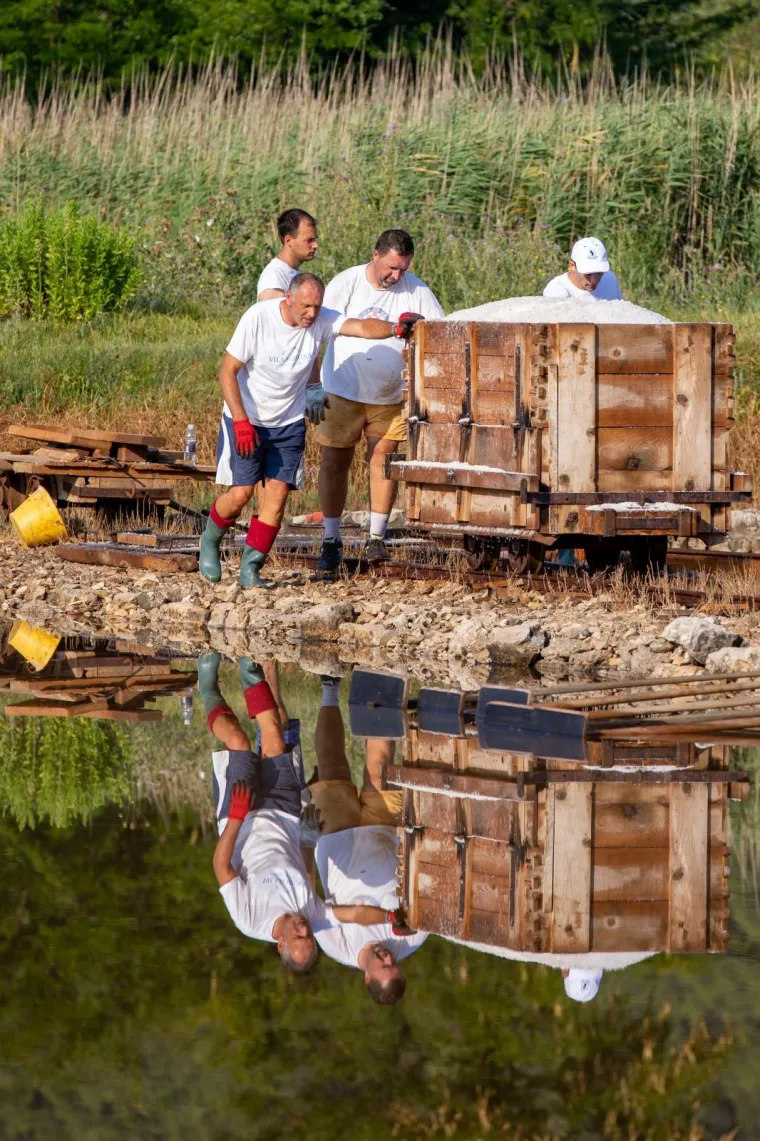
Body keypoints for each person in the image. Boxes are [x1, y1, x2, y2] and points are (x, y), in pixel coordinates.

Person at [198, 273, 422, 588]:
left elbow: (360, 327)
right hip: (248, 417)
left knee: (277, 496)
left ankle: (251, 568)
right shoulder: (258, 318)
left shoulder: (320, 319)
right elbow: (227, 371)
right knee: (241, 495)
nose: (311, 313)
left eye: (317, 306)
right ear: (288, 298)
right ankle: (210, 539)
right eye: (305, 306)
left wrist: (395, 329)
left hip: (288, 422)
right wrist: (240, 420)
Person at [200, 653, 392, 970]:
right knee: (274, 736)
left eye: (298, 936)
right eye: (309, 936)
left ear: (281, 944)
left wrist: (235, 817)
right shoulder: (312, 916)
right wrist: (391, 919)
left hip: (242, 817)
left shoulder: (250, 921)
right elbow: (353, 913)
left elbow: (222, 867)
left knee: (238, 740)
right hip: (285, 812)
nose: (304, 928)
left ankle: (208, 688)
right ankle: (251, 669)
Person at [315, 229, 444, 573]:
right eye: (391, 267)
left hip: (390, 395)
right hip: (342, 388)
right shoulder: (346, 283)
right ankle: (331, 538)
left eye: (403, 269)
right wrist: (312, 384)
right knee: (335, 461)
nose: (397, 276)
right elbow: (319, 329)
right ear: (375, 255)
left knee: (383, 460)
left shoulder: (417, 291)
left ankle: (376, 537)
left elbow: (439, 333)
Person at [309, 675, 428, 1004]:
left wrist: (387, 918)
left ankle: (329, 687)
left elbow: (325, 911)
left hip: (336, 841)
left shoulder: (338, 948)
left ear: (367, 977)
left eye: (384, 966)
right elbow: (430, 900)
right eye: (395, 965)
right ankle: (380, 681)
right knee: (381, 767)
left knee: (331, 762)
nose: (389, 958)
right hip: (385, 832)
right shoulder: (411, 941)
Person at [257, 209, 319, 301]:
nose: (315, 245)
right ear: (288, 240)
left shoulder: (291, 273)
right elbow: (269, 308)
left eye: (315, 239)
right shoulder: (273, 278)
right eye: (309, 240)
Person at [543, 237, 622, 301]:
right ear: (572, 266)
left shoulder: (610, 280)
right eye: (588, 274)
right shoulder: (556, 292)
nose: (594, 281)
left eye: (599, 273)